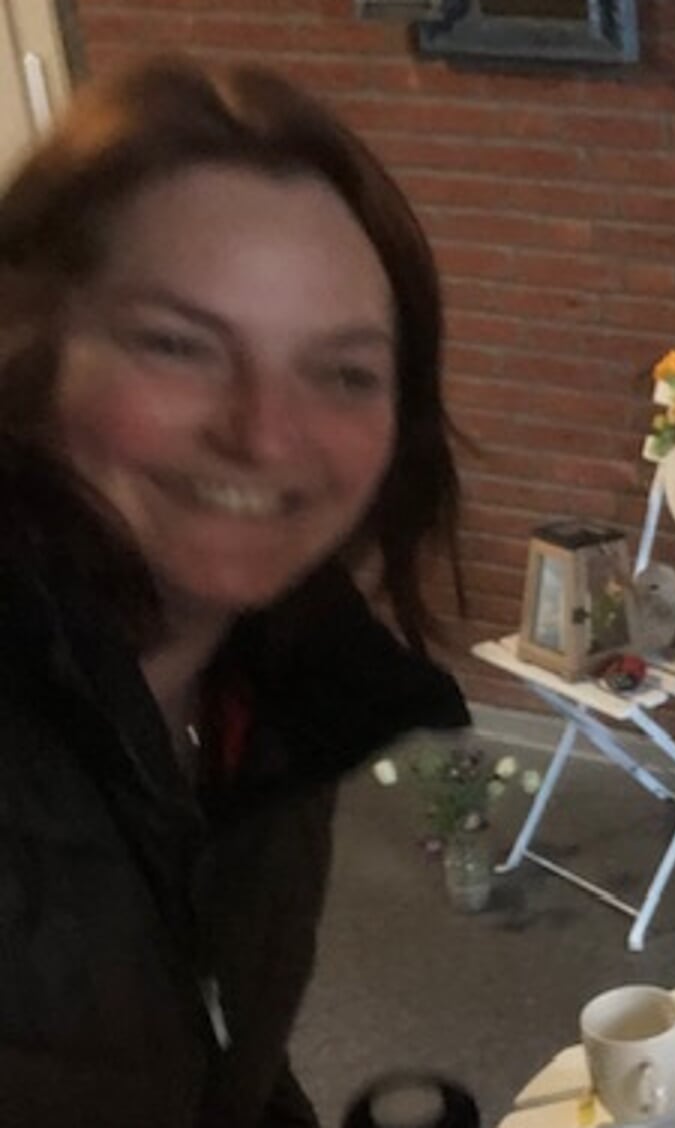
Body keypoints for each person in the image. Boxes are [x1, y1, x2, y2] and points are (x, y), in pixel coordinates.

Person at [0, 56, 471, 1126]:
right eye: (179, 346)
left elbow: (217, 1062)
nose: (264, 433)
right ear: (26, 356)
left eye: (342, 370)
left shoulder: (266, 701)